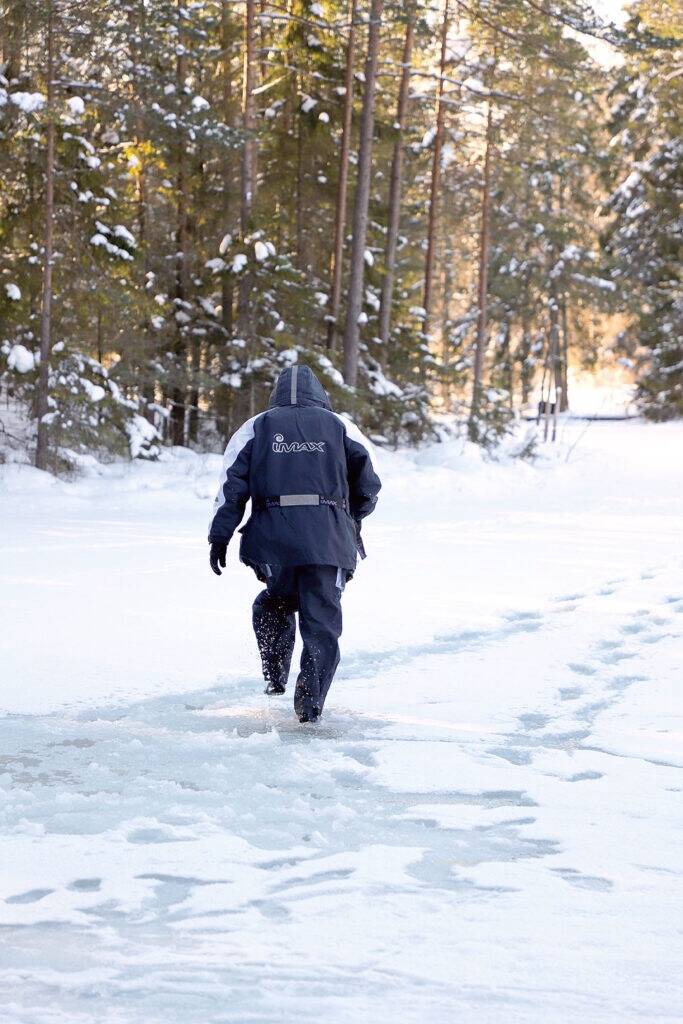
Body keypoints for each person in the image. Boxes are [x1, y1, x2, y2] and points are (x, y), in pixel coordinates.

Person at [208, 364, 381, 724]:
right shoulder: (340, 427)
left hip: (274, 543)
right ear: (320, 393)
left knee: (275, 602)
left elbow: (231, 487)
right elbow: (369, 484)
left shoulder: (256, 427)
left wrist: (220, 535)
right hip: (328, 543)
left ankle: (275, 672)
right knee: (322, 620)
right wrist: (349, 517)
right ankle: (310, 702)